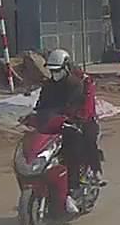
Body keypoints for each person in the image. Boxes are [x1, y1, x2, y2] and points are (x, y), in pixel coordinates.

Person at [33, 49, 100, 215]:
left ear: (66, 68)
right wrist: (35, 117)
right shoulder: (48, 86)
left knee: (72, 151)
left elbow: (76, 107)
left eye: (58, 70)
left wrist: (73, 118)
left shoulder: (75, 84)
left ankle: (73, 188)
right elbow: (41, 106)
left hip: (78, 124)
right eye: (52, 71)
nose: (55, 74)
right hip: (55, 125)